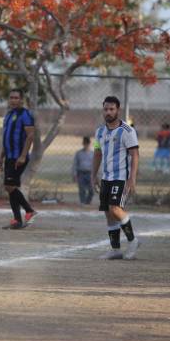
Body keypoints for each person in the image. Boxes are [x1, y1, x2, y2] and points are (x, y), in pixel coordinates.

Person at [92, 96, 141, 260]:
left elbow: (135, 155)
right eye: (106, 109)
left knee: (115, 208)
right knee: (108, 212)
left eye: (111, 109)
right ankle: (115, 249)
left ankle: (133, 241)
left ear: (117, 110)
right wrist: (93, 175)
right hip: (106, 177)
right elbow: (97, 153)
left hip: (120, 177)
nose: (108, 112)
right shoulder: (99, 131)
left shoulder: (127, 131)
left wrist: (132, 178)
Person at [0, 88, 37, 229]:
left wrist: (23, 155)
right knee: (10, 188)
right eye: (11, 97)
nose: (13, 100)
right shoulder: (8, 115)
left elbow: (31, 136)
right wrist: (1, 158)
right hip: (9, 157)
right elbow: (6, 138)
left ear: (21, 100)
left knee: (9, 186)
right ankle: (17, 220)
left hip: (18, 157)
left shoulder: (25, 115)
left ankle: (29, 211)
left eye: (16, 98)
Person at [72, 136, 94, 205]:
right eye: (84, 144)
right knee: (82, 189)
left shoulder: (92, 154)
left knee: (91, 190)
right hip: (81, 173)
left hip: (90, 173)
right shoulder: (79, 153)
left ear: (89, 144)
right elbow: (75, 164)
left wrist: (96, 175)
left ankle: (87, 202)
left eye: (87, 144)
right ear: (83, 144)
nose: (86, 145)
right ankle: (83, 202)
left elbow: (95, 165)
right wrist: (74, 174)